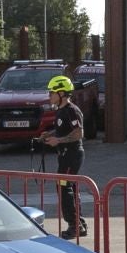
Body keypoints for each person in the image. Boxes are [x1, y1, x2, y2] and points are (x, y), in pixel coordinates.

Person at [41, 74, 87, 238]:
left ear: (61, 93)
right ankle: (79, 224)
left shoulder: (72, 110)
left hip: (72, 155)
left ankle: (74, 226)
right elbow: (63, 129)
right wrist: (49, 134)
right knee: (70, 188)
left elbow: (79, 133)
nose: (49, 96)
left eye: (52, 92)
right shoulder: (61, 110)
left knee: (64, 187)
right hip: (65, 155)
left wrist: (58, 140)